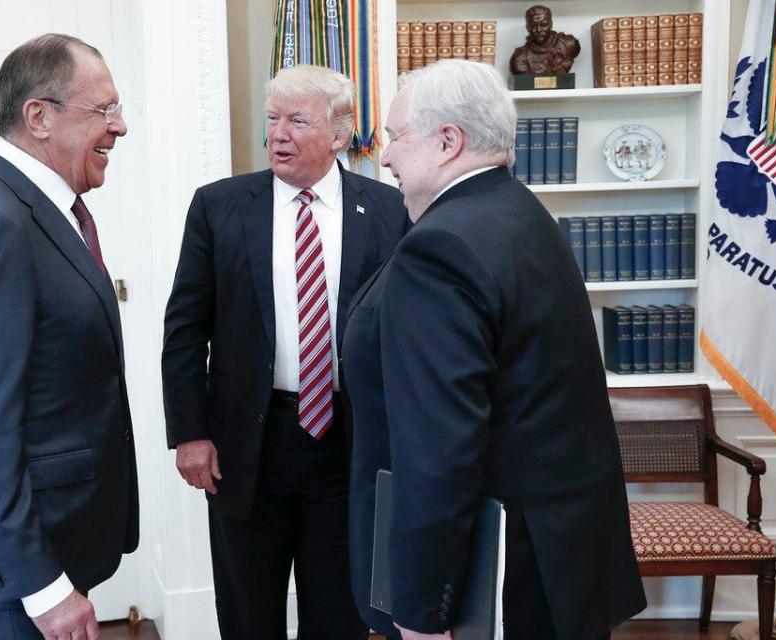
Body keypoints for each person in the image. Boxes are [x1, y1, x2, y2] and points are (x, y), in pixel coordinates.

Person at [341, 59, 646, 640]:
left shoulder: (441, 248)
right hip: (556, 557)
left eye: (397, 137)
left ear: (448, 141)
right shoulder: (519, 213)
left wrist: (424, 611)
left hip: (499, 578)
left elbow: (439, 446)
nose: (385, 157)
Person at [162, 64, 408, 639]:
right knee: (250, 613)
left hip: (350, 442)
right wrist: (189, 432)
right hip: (248, 443)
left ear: (340, 133)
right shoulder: (219, 207)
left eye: (298, 120)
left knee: (340, 613)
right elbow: (184, 328)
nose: (278, 134)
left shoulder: (390, 210)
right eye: (272, 119)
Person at [0, 33, 138, 640]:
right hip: (20, 574)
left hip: (57, 541)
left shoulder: (42, 212)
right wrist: (41, 584)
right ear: (38, 117)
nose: (120, 128)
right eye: (105, 110)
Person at [509, 5, 581, 75]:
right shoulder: (520, 59)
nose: (539, 30)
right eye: (533, 26)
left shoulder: (569, 44)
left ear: (551, 24)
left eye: (543, 25)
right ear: (527, 28)